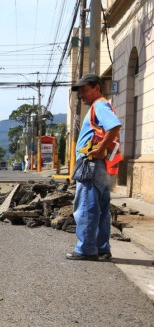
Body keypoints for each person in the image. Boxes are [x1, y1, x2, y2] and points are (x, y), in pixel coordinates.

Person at [66, 73, 122, 261]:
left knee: (86, 207)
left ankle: (86, 249)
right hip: (99, 165)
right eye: (79, 91)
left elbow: (114, 126)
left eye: (84, 90)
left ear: (97, 88)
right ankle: (102, 248)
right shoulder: (99, 107)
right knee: (101, 208)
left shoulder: (99, 105)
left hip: (91, 164)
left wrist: (100, 148)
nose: (81, 94)